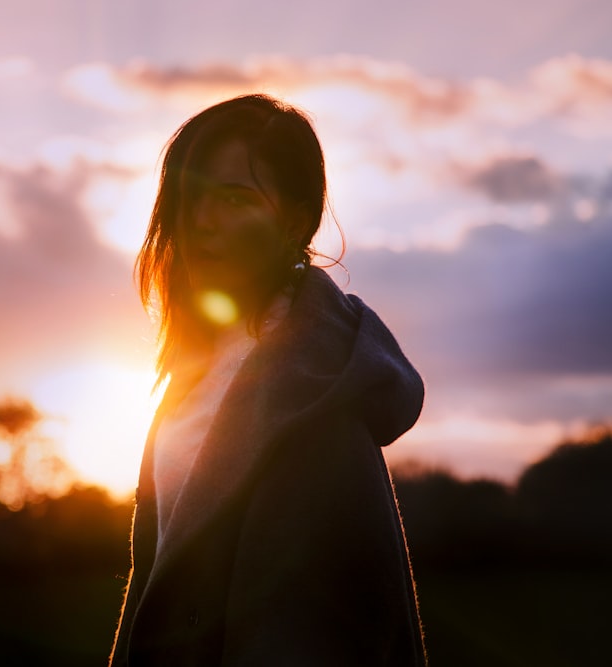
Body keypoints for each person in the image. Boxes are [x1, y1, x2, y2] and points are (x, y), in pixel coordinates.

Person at [110, 94, 427, 666]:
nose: (202, 220)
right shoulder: (201, 372)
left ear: (295, 220)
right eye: (191, 196)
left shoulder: (315, 396)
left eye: (235, 197)